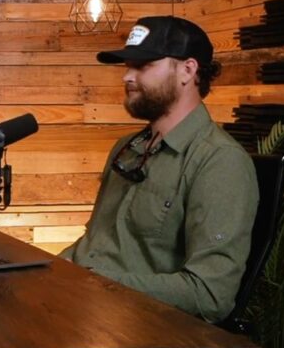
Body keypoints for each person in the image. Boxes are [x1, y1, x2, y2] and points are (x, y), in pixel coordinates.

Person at [60, 16, 258, 324]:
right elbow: (94, 245)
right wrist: (44, 272)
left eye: (143, 66)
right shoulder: (127, 148)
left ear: (187, 70)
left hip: (143, 333)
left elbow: (210, 294)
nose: (127, 76)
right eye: (128, 66)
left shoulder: (220, 161)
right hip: (83, 311)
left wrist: (97, 284)